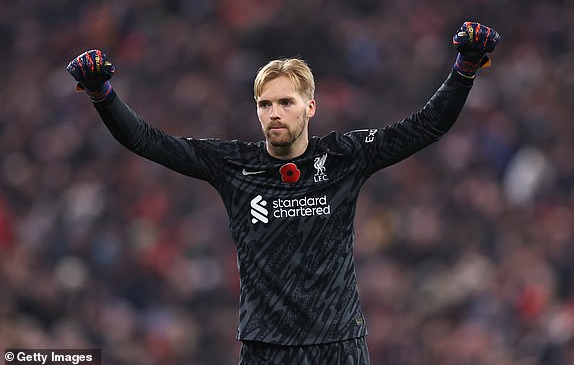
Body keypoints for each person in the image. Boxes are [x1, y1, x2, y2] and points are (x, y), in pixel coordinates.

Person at [67, 21, 500, 365]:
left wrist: (464, 69)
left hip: (339, 343)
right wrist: (102, 94)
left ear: (310, 106)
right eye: (265, 104)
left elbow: (427, 126)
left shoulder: (345, 157)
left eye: (286, 102)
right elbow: (147, 140)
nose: (274, 113)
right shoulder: (233, 164)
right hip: (267, 348)